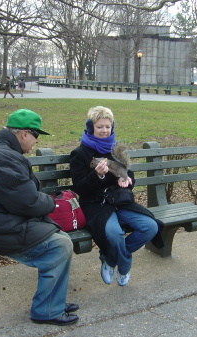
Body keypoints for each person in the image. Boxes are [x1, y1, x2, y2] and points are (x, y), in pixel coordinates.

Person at [0, 109, 79, 326]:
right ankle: (46, 310)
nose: (36, 141)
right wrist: (52, 202)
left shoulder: (1, 151)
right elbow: (27, 202)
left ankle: (53, 301)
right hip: (0, 228)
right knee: (59, 245)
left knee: (61, 240)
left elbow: (21, 197)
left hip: (4, 221)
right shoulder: (3, 156)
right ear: (23, 134)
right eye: (36, 135)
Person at [69, 106, 163, 287]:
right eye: (99, 127)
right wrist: (97, 175)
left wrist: (126, 181)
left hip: (121, 201)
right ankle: (124, 265)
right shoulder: (80, 154)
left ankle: (109, 257)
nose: (104, 131)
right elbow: (79, 187)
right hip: (96, 204)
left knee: (150, 227)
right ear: (91, 128)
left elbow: (129, 175)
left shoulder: (116, 150)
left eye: (107, 126)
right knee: (114, 233)